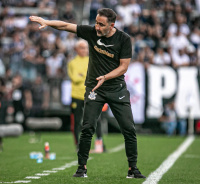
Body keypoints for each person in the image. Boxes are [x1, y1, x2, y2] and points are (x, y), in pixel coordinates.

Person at [29, 8, 146, 179]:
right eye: (96, 23)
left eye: (101, 24)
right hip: (94, 89)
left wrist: (105, 77)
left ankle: (132, 169)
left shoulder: (124, 39)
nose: (97, 27)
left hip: (116, 90)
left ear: (112, 25)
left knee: (129, 129)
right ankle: (81, 168)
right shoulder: (92, 33)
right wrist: (47, 22)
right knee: (87, 127)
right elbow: (65, 25)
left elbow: (123, 67)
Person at [68, 40, 106, 153]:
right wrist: (87, 76)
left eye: (85, 48)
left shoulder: (92, 61)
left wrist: (82, 75)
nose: (84, 50)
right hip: (77, 95)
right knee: (77, 121)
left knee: (96, 119)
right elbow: (74, 78)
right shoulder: (72, 63)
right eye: (81, 48)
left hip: (91, 93)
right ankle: (78, 145)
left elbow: (95, 76)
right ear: (76, 49)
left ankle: (100, 143)